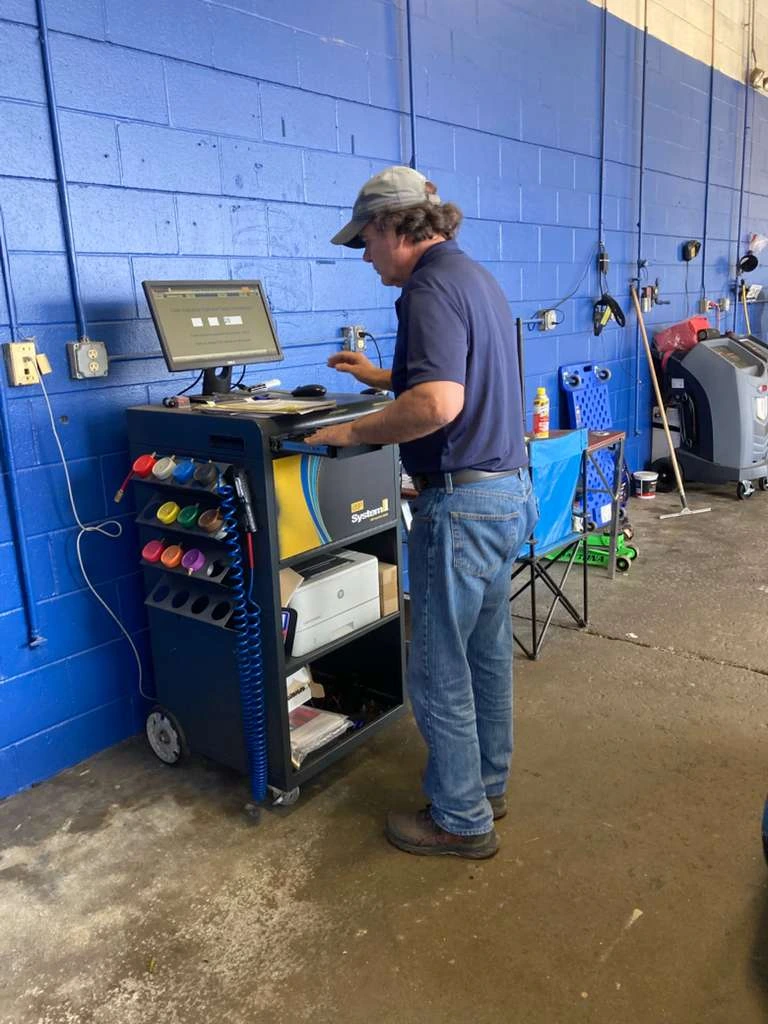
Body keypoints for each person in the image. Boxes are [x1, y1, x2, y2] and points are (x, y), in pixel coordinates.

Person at [304, 165, 537, 859]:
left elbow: (437, 404)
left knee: (436, 669)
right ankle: (486, 786)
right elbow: (454, 375)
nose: (364, 256)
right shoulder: (472, 277)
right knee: (484, 654)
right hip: (506, 493)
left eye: (364, 242)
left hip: (462, 506)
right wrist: (379, 379)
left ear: (389, 226)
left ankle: (461, 821)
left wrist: (343, 432)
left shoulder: (427, 289)